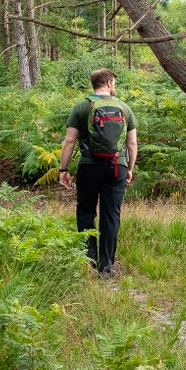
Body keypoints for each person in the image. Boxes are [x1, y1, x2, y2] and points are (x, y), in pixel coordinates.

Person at [58, 68, 138, 274]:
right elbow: (132, 144)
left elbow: (69, 141)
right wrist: (128, 168)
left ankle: (89, 260)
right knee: (111, 214)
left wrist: (63, 169)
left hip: (89, 167)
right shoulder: (124, 108)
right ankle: (107, 265)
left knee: (86, 211)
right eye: (115, 83)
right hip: (116, 167)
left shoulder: (82, 106)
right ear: (109, 83)